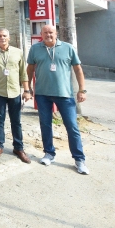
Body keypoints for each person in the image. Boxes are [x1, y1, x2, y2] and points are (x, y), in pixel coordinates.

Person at [26, 24, 89, 175]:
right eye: (45, 32)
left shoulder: (67, 47)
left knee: (72, 127)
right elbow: (29, 69)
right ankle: (49, 154)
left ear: (56, 33)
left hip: (64, 94)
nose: (48, 34)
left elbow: (78, 69)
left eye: (51, 32)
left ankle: (79, 160)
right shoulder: (35, 49)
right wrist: (27, 88)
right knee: (45, 124)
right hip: (42, 94)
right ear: (41, 34)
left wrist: (82, 89)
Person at [0, 28, 31, 164]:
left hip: (14, 91)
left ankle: (18, 148)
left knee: (16, 121)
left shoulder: (18, 52)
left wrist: (26, 90)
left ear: (8, 38)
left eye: (4, 36)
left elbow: (23, 73)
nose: (2, 38)